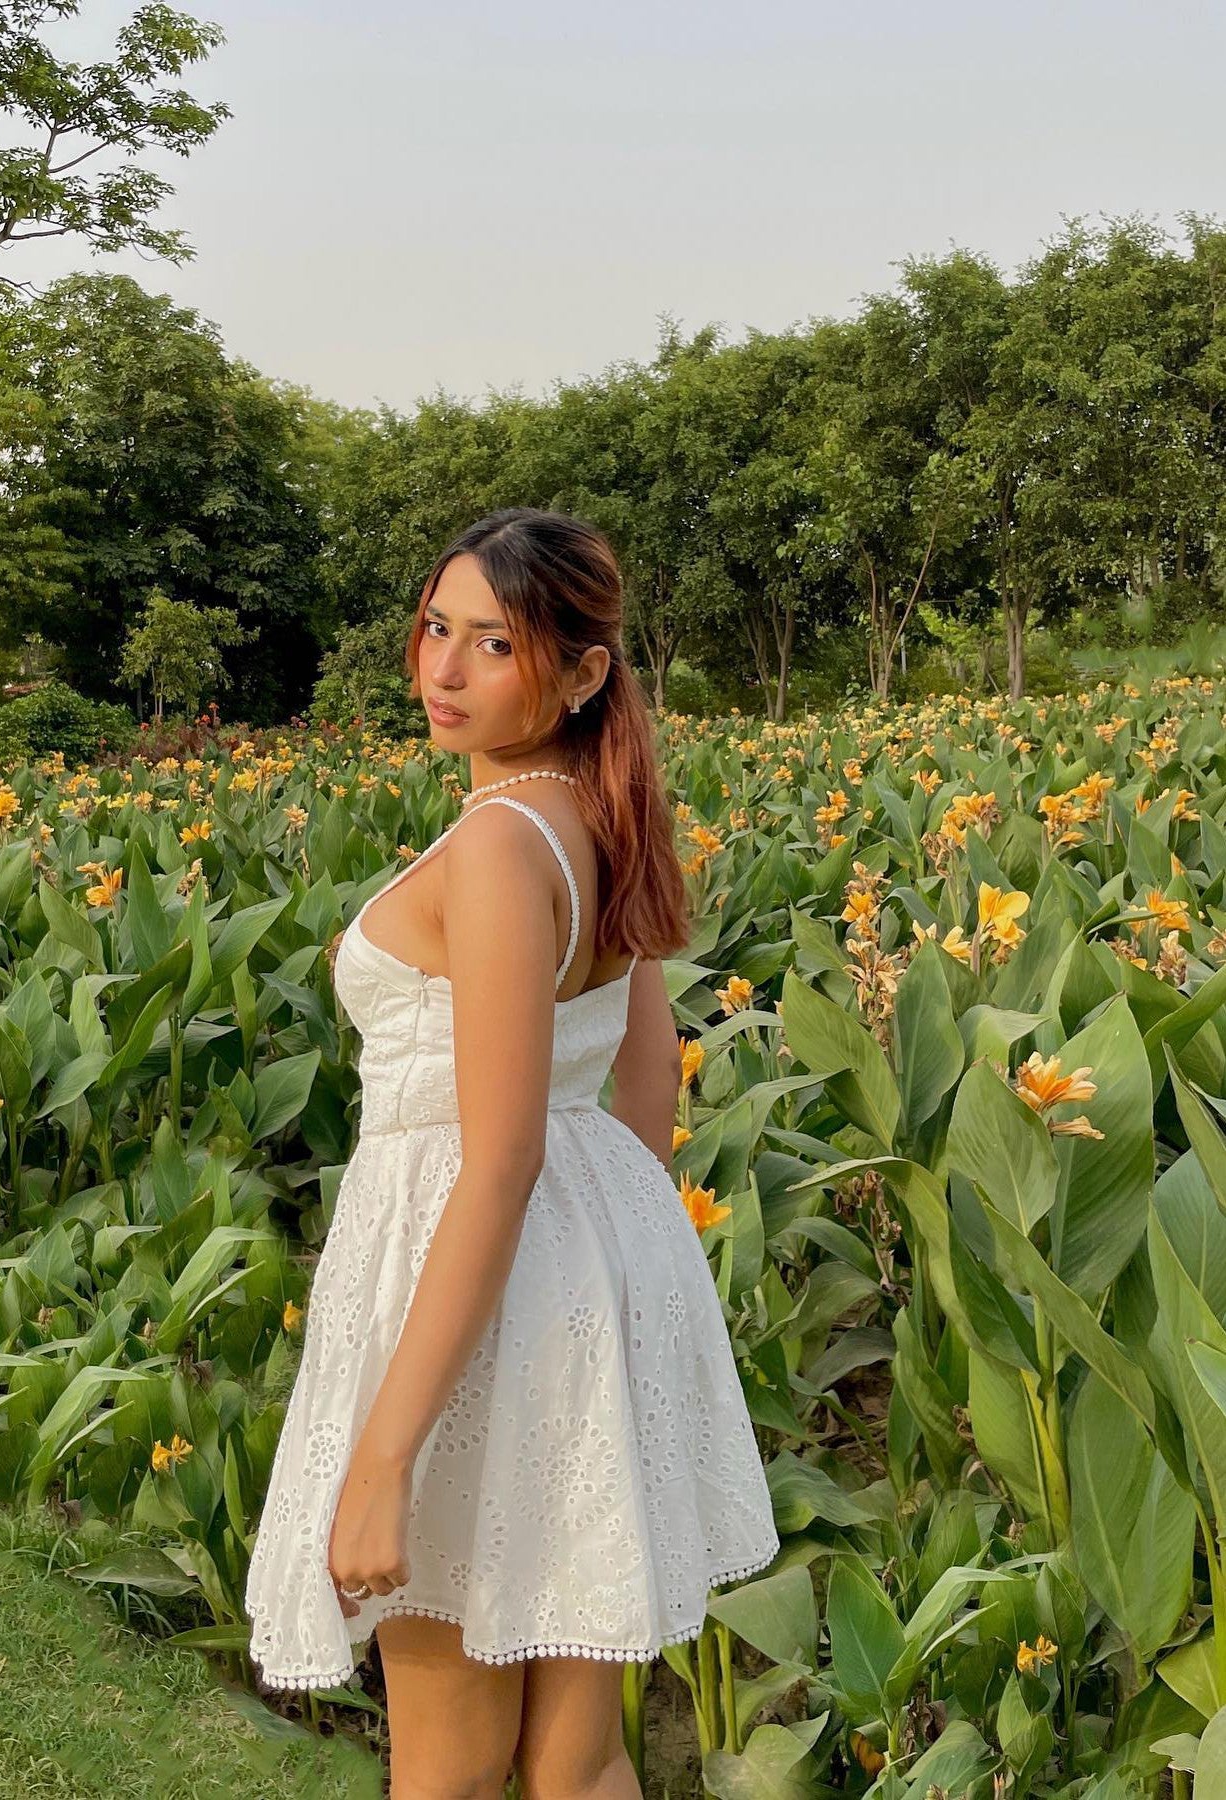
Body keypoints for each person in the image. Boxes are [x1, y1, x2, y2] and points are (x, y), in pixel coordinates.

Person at [244, 508, 779, 1798]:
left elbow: (497, 1160)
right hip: (577, 1292)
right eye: (438, 630)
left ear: (584, 672)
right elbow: (642, 1090)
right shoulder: (603, 824)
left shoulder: (497, 843)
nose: (445, 669)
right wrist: (603, 1293)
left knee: (448, 1771)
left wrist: (383, 1463)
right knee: (579, 1759)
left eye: (495, 643)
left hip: (468, 1297)